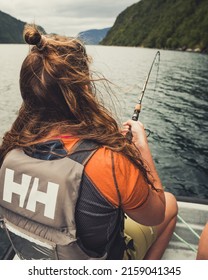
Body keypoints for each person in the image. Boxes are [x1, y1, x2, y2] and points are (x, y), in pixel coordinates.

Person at [0, 24, 178, 260]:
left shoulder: (8, 150)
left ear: (28, 91)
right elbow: (156, 215)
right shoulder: (108, 162)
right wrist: (142, 149)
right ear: (83, 87)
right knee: (171, 204)